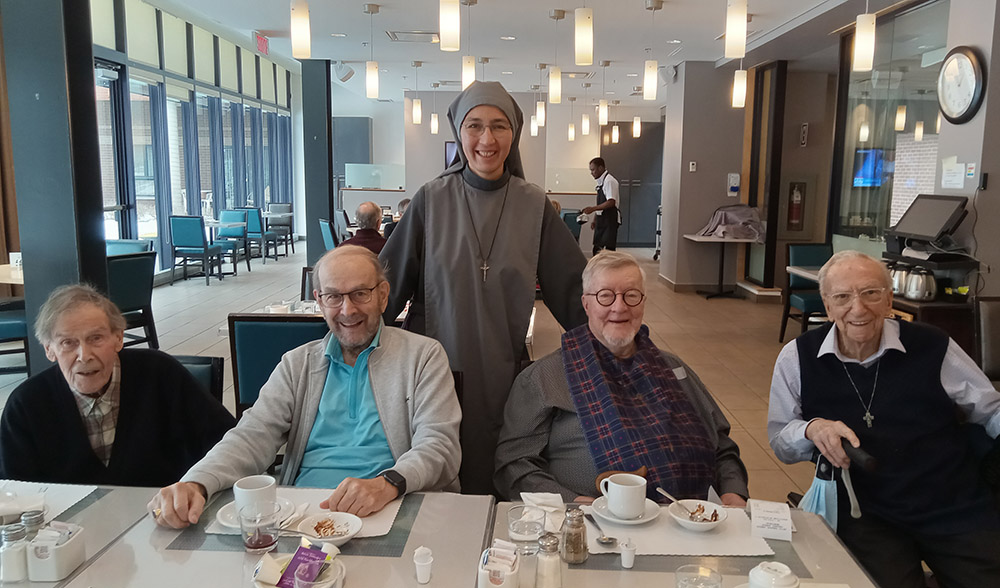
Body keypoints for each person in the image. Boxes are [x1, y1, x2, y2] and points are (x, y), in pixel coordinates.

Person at [150, 246, 461, 528]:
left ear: (383, 295)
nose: (347, 310)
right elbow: (250, 437)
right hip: (305, 514)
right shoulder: (297, 365)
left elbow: (439, 446)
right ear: (319, 301)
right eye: (334, 297)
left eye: (360, 294)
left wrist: (388, 483)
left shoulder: (423, 356)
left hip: (395, 507)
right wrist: (197, 482)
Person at [380, 81, 587, 495]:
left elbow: (576, 291)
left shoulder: (533, 205)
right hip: (433, 368)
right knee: (432, 466)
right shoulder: (430, 200)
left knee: (495, 470)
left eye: (499, 126)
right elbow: (385, 286)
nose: (486, 139)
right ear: (459, 133)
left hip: (503, 374)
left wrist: (614, 346)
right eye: (474, 126)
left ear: (514, 134)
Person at [768, 250, 1000, 588]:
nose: (858, 308)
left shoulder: (932, 345)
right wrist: (811, 429)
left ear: (889, 298)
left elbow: (990, 409)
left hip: (950, 501)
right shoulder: (798, 357)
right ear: (827, 305)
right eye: (843, 297)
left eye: (871, 293)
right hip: (865, 511)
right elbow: (780, 441)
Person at [495, 252, 749, 505]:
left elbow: (723, 448)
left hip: (688, 521)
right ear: (586, 304)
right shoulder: (544, 377)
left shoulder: (675, 369)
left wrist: (733, 493)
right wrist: (574, 504)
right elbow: (514, 466)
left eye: (631, 295)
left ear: (643, 302)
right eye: (605, 296)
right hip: (591, 525)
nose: (619, 307)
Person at [0, 285, 235, 486]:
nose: (84, 355)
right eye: (68, 343)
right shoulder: (27, 405)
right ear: (49, 349)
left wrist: (196, 485)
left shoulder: (161, 374)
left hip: (166, 521)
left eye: (96, 338)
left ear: (119, 338)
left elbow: (227, 444)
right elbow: (18, 493)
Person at [583, 157, 620, 255]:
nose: (592, 173)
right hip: (602, 219)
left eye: (593, 170)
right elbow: (601, 203)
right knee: (597, 248)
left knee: (608, 250)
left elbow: (611, 202)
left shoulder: (609, 181)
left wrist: (593, 209)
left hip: (609, 219)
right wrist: (595, 219)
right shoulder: (601, 182)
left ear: (600, 168)